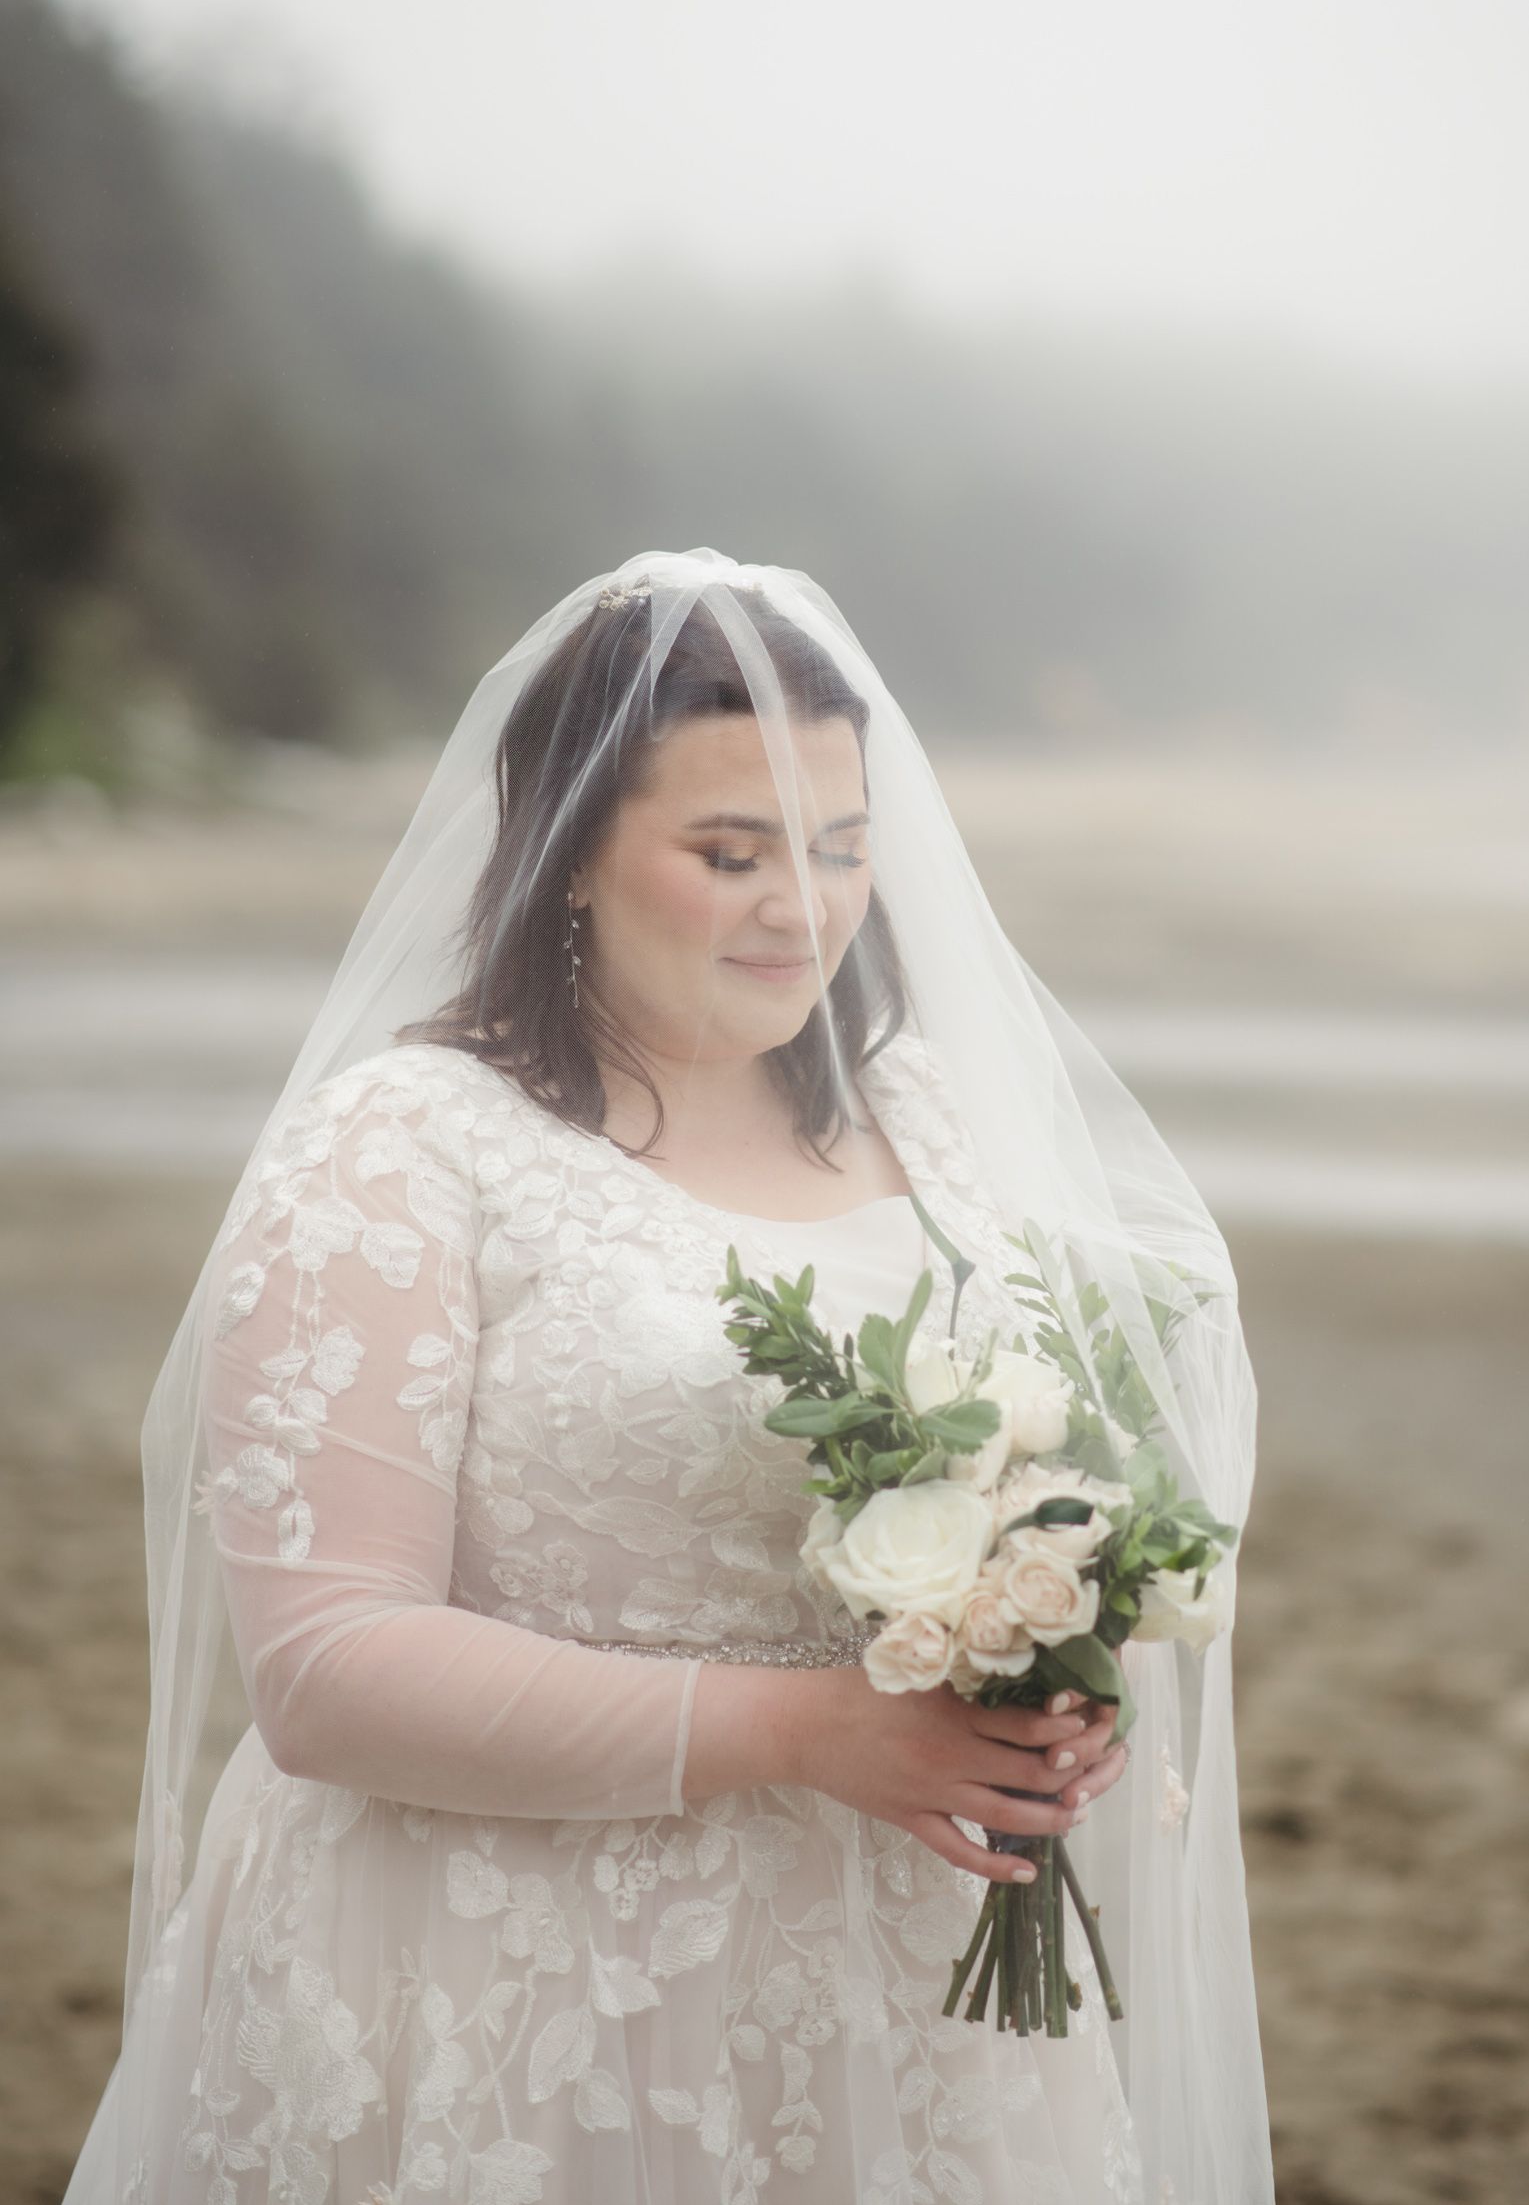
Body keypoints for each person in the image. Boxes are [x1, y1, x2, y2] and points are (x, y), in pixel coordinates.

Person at [63, 546, 1273, 2203]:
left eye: (842, 848)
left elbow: (1041, 1460)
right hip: (511, 1984)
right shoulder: (402, 1150)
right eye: (731, 850)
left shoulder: (925, 1117)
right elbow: (325, 1669)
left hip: (899, 1987)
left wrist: (1043, 1657)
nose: (804, 907)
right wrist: (811, 1728)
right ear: (567, 854)